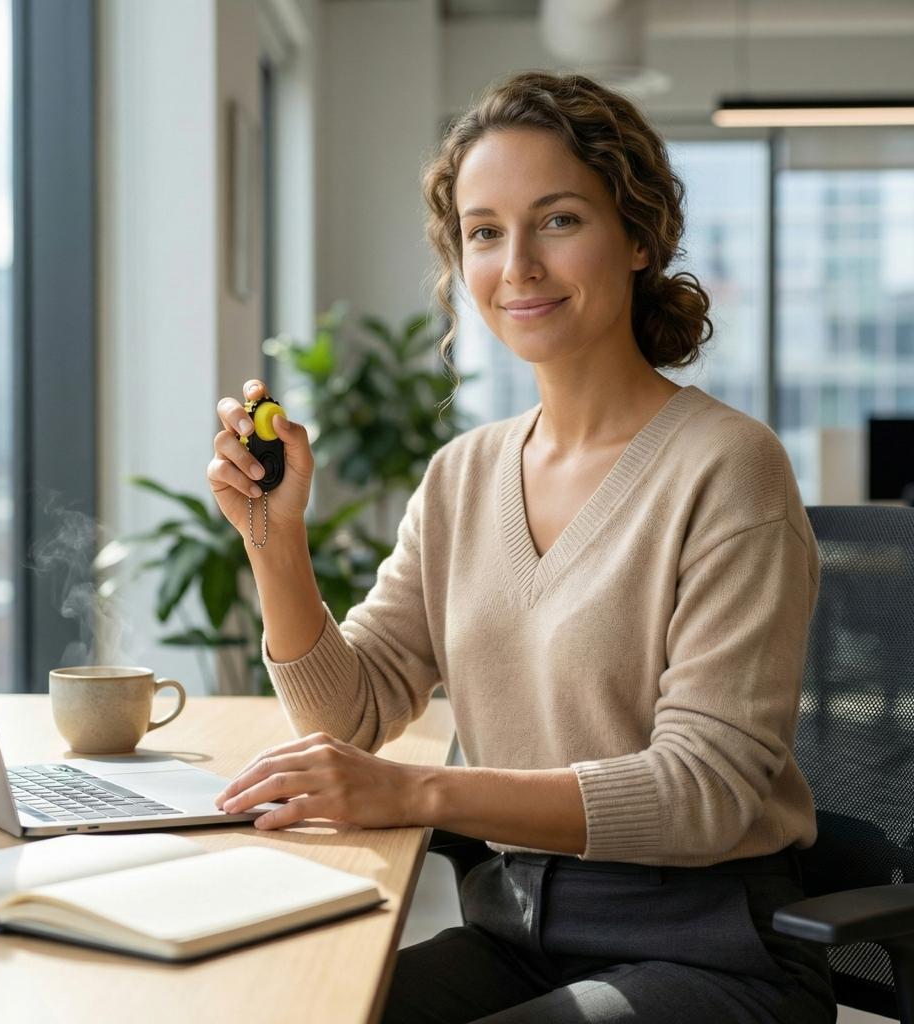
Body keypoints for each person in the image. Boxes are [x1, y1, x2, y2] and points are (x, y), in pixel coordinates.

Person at [205, 70, 837, 1024]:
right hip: (516, 937)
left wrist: (418, 792)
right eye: (485, 232)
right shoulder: (461, 475)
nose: (519, 267)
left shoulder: (729, 467)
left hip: (709, 955)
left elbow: (703, 791)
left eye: (559, 221)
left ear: (639, 237)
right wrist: (274, 540)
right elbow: (353, 715)